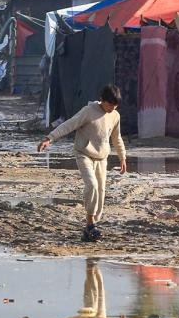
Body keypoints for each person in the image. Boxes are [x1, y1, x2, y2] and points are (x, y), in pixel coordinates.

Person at [38, 84, 128, 242]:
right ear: (102, 100)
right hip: (84, 154)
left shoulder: (115, 116)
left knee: (100, 191)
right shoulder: (88, 111)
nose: (112, 108)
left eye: (115, 105)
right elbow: (69, 124)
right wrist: (49, 138)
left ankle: (90, 226)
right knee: (91, 185)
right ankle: (90, 224)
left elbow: (117, 138)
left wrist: (122, 157)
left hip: (102, 158)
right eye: (110, 104)